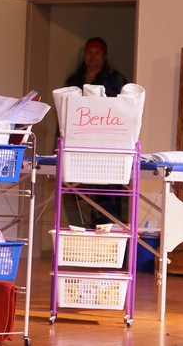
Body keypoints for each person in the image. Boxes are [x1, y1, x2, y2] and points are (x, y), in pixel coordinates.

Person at [62, 36, 128, 228]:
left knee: (107, 202)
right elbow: (63, 116)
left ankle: (110, 243)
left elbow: (124, 113)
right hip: (76, 147)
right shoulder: (73, 81)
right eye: (89, 53)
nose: (93, 56)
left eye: (97, 53)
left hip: (107, 148)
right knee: (77, 199)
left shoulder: (117, 80)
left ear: (105, 56)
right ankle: (81, 240)